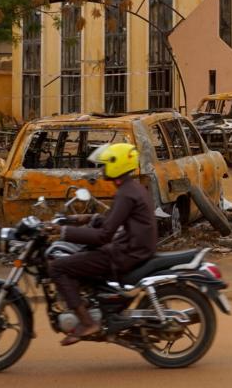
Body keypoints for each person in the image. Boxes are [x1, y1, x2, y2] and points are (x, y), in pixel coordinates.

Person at [48, 142, 156, 345]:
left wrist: (63, 232)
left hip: (126, 253)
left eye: (105, 165)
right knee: (83, 255)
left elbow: (104, 235)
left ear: (117, 166)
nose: (102, 169)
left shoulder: (126, 193)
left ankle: (88, 322)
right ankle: (96, 305)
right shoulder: (132, 188)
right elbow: (112, 220)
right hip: (133, 248)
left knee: (57, 267)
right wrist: (85, 218)